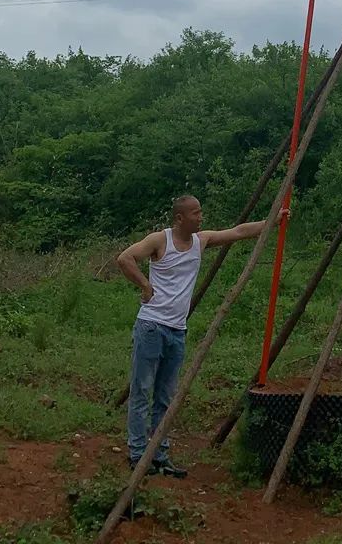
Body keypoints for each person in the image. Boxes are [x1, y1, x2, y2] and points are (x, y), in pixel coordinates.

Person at [117, 194, 281, 476]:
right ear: (179, 218)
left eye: (200, 212)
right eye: (195, 213)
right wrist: (145, 285)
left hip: (177, 331)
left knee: (166, 396)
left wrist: (272, 222)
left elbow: (239, 232)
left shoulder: (201, 241)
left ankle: (159, 455)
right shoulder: (160, 240)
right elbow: (125, 258)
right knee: (142, 390)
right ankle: (137, 454)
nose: (200, 217)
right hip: (152, 326)